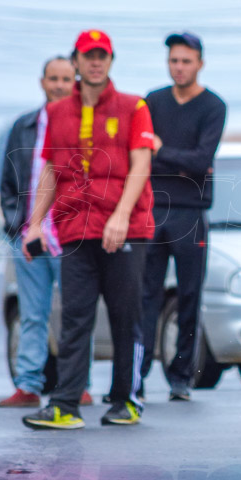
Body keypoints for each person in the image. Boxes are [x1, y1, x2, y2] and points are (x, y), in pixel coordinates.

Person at [21, 29, 155, 430]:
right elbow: (49, 170)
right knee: (75, 316)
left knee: (124, 315)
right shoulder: (58, 112)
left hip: (125, 230)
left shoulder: (134, 107)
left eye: (103, 55)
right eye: (88, 56)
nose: (96, 62)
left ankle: (125, 400)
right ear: (75, 62)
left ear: (111, 61)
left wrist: (121, 215)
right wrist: (33, 225)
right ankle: (65, 404)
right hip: (75, 227)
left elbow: (140, 164)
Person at [0, 56, 93, 409]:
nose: (58, 85)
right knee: (32, 313)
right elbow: (8, 184)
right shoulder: (23, 126)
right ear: (42, 82)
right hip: (29, 237)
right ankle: (28, 386)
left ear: (76, 83)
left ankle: (79, 384)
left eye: (66, 79)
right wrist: (17, 228)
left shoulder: (85, 124)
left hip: (70, 235)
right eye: (53, 78)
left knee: (76, 312)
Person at [139, 31, 226, 402]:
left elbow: (201, 161)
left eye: (186, 61)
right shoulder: (152, 102)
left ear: (200, 64)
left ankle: (181, 377)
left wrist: (163, 152)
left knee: (189, 295)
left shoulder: (213, 107)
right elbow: (142, 154)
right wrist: (177, 160)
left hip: (191, 214)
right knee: (146, 296)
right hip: (151, 209)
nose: (179, 67)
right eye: (174, 60)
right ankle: (135, 375)